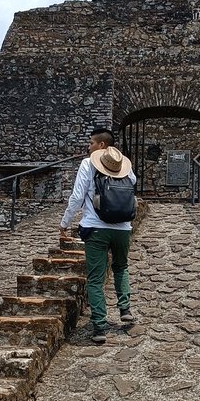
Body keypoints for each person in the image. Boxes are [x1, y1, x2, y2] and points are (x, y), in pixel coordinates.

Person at [60, 130, 137, 345]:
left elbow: (77, 196)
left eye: (91, 142)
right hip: (123, 228)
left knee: (95, 278)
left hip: (96, 228)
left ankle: (99, 326)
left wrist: (64, 223)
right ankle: (125, 308)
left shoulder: (87, 165)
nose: (88, 146)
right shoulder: (125, 168)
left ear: (101, 145)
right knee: (121, 267)